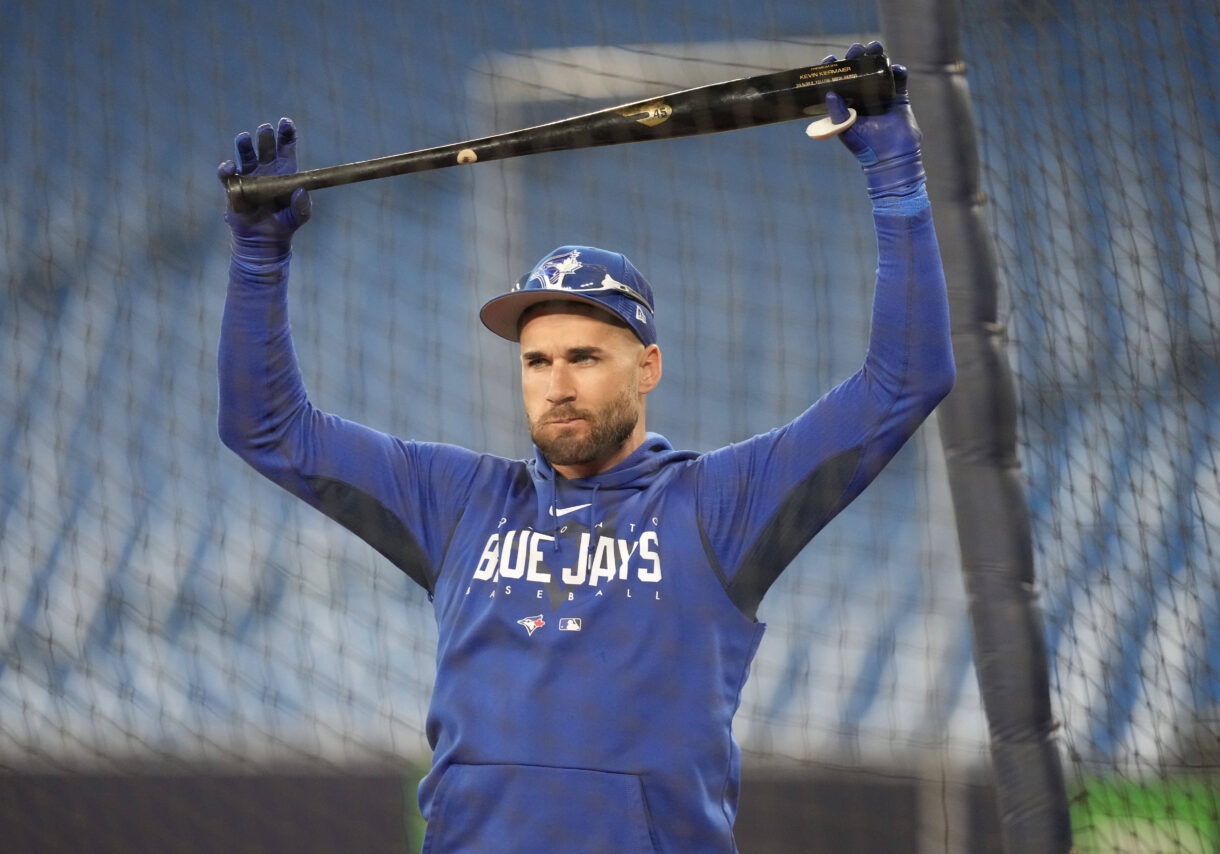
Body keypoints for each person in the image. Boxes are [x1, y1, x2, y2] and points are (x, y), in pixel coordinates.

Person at [217, 41, 954, 854]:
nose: (555, 383)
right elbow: (268, 429)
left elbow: (903, 382)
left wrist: (897, 183)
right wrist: (258, 261)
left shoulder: (718, 505)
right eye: (536, 360)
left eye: (584, 357)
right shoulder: (459, 501)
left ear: (648, 368)